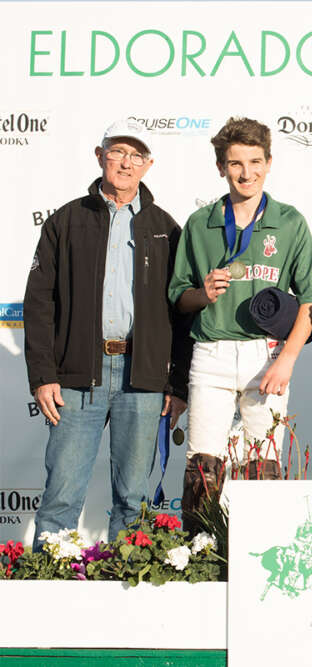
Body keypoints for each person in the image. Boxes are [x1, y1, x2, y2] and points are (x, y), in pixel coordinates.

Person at [24, 119, 189, 550]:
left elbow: (183, 312)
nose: (126, 162)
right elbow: (40, 303)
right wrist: (43, 375)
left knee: (132, 501)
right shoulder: (66, 220)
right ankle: (48, 591)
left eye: (136, 155)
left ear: (148, 165)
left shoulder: (166, 227)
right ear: (100, 157)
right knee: (62, 496)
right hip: (78, 376)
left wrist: (176, 384)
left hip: (143, 378)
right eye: (118, 152)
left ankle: (127, 596)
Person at [169, 117, 312, 529]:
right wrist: (203, 294)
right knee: (202, 464)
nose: (246, 173)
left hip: (266, 354)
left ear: (269, 162)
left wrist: (287, 360)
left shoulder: (289, 221)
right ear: (221, 167)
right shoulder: (200, 222)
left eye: (255, 162)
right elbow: (179, 299)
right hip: (211, 351)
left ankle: (262, 547)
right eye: (236, 163)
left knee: (264, 464)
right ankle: (200, 555)